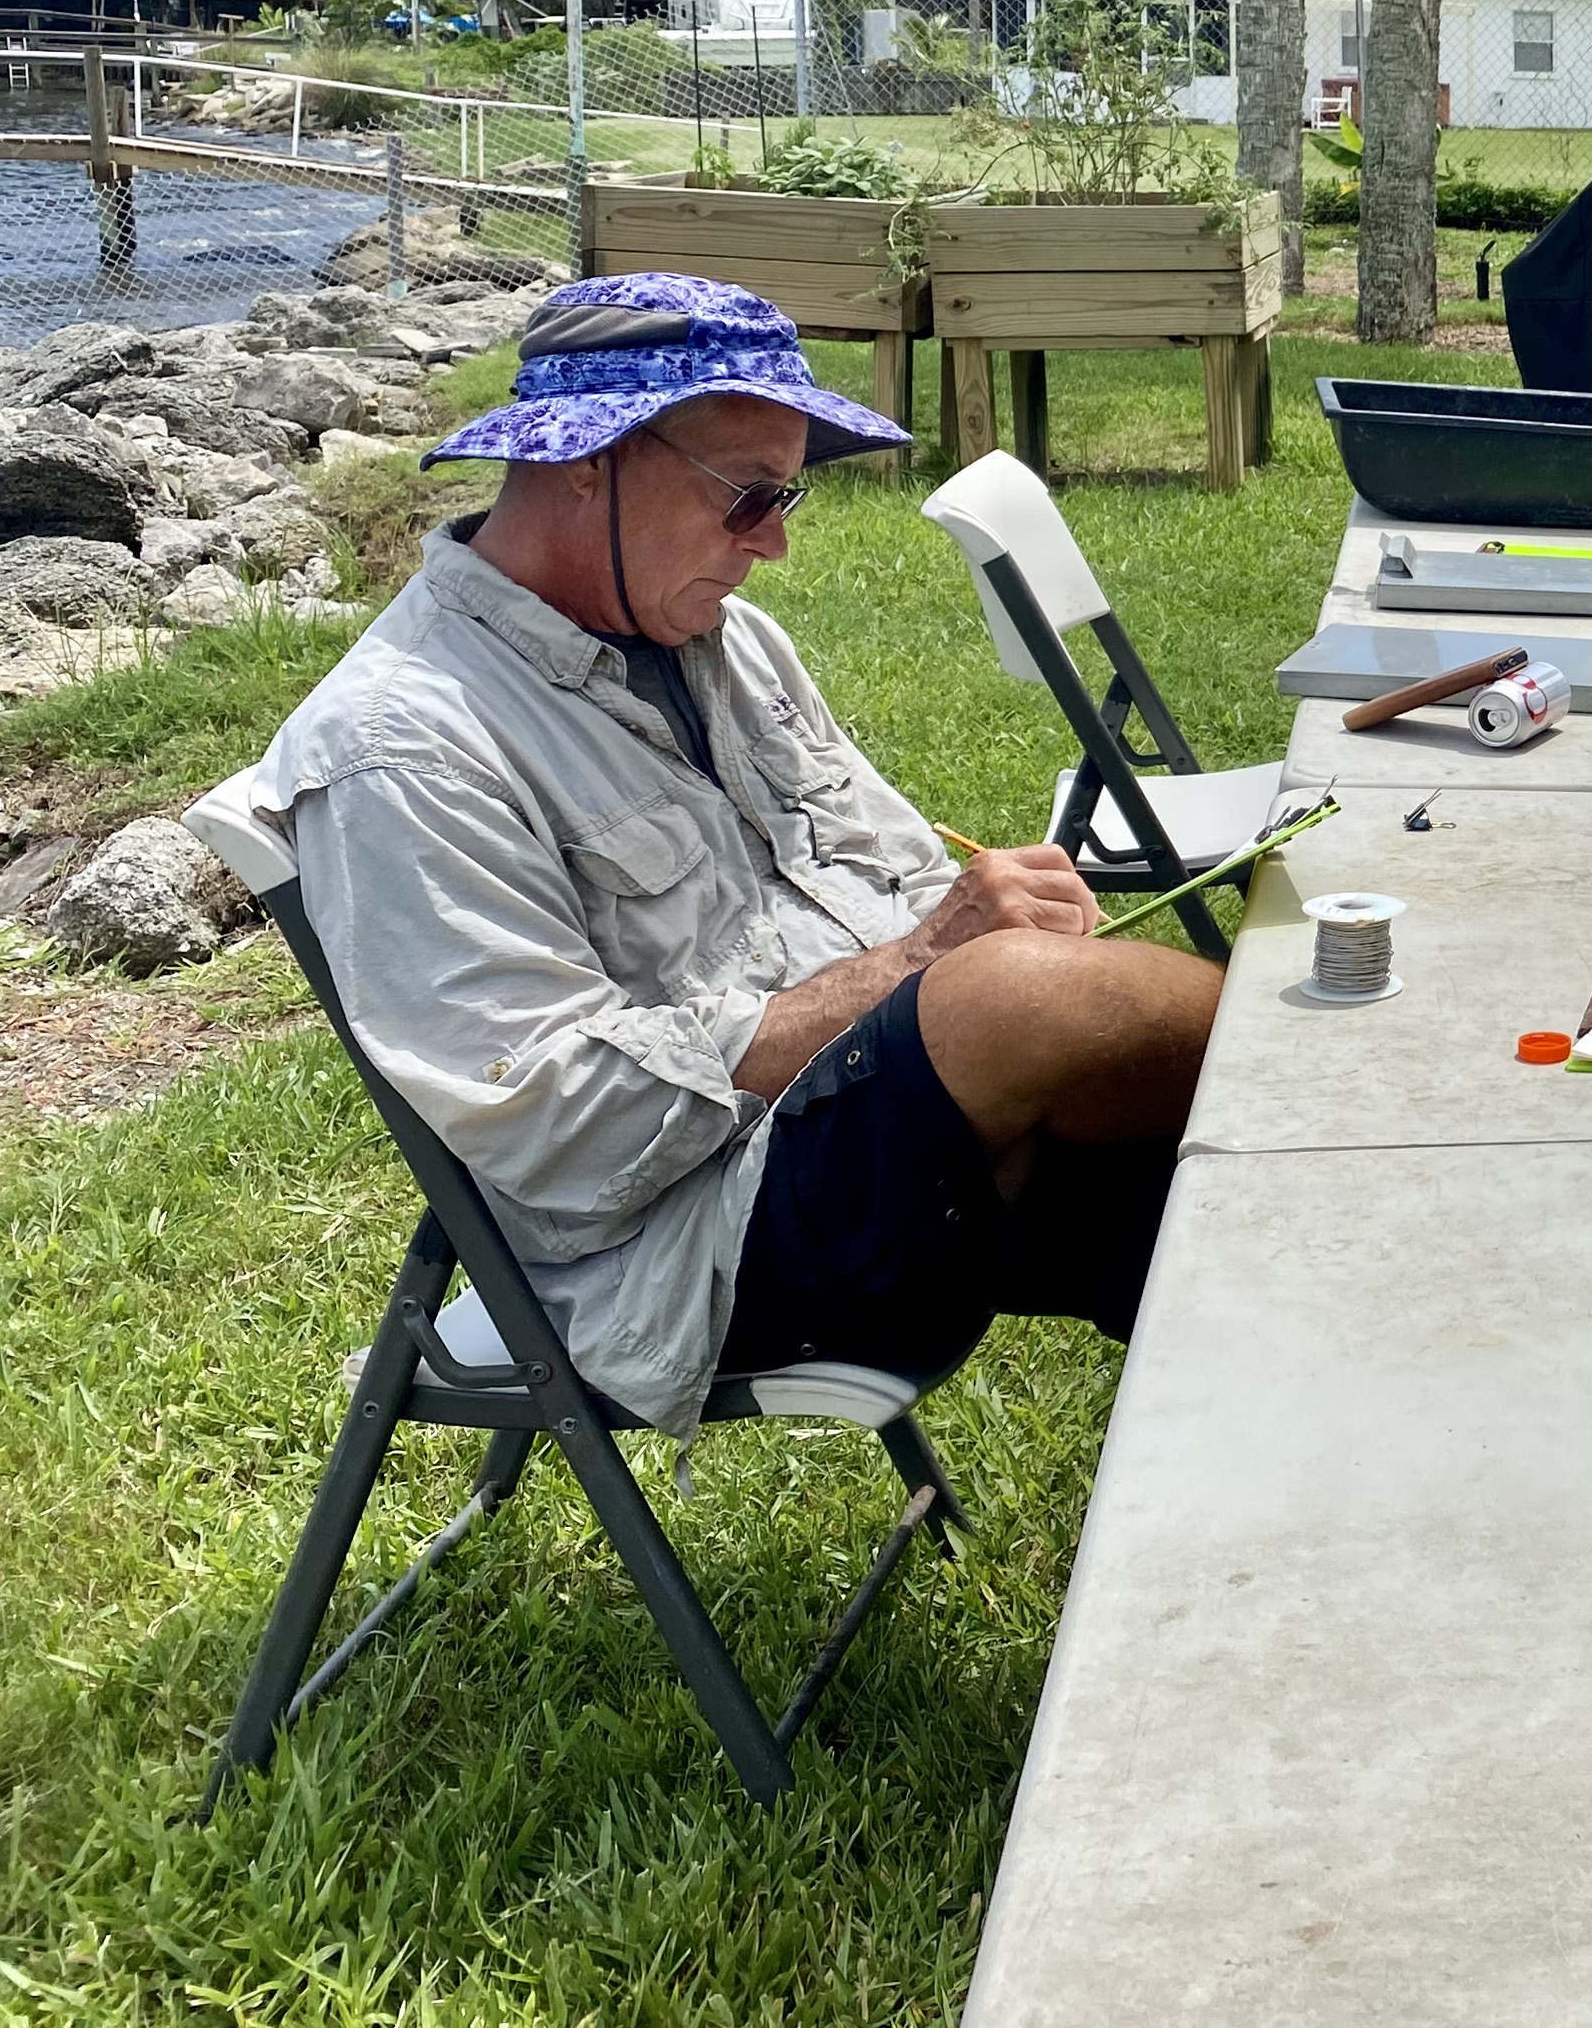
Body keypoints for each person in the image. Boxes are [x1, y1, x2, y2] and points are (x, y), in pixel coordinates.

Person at [256, 275, 1223, 1437]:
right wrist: (932, 967)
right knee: (1024, 1001)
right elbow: (554, 1120)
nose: (772, 541)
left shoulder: (724, 639)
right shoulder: (401, 744)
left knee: (1209, 1186)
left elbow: (902, 874)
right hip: (690, 1245)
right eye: (748, 495)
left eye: (787, 495)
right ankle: (1318, 1069)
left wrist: (977, 929)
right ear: (587, 460)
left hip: (887, 1151)